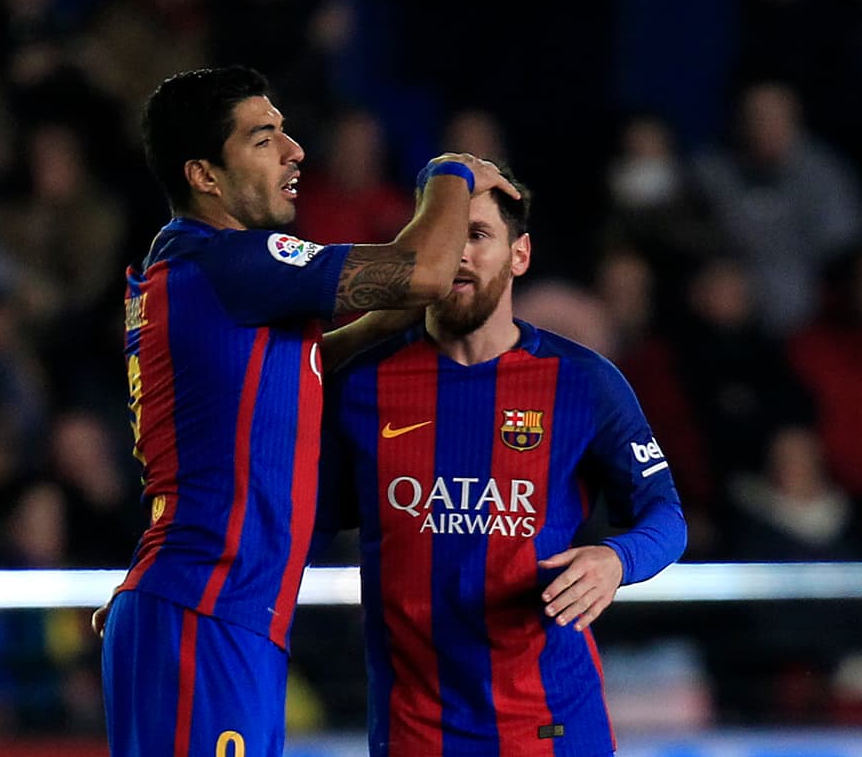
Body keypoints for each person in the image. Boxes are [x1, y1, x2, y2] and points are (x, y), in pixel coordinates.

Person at [93, 65, 518, 757]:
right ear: (205, 175)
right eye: (264, 139)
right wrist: (452, 171)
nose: (295, 151)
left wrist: (382, 324)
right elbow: (425, 268)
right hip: (210, 610)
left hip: (209, 611)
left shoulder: (194, 271)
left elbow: (291, 369)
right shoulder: (238, 262)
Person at [317, 168, 687, 756]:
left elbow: (667, 518)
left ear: (520, 255)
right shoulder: (359, 384)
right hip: (415, 731)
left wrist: (616, 559)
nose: (457, 256)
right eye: (441, 238)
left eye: (477, 235)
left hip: (552, 725)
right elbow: (297, 522)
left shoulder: (583, 382)